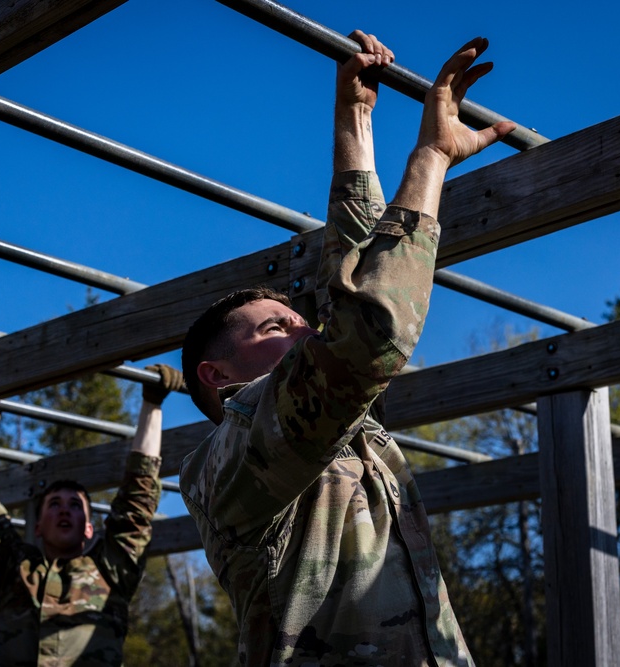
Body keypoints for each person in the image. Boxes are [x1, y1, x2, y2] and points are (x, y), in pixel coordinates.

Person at [178, 30, 516, 666]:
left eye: (299, 321)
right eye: (275, 327)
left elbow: (347, 306)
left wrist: (355, 117)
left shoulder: (339, 430)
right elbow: (367, 330)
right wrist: (432, 159)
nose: (304, 328)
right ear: (215, 376)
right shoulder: (222, 466)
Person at [0, 364, 184, 666]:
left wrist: (152, 403)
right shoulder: (16, 571)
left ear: (89, 529)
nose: (64, 508)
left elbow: (137, 500)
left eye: (75, 505)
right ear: (37, 527)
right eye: (54, 504)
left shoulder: (110, 572)